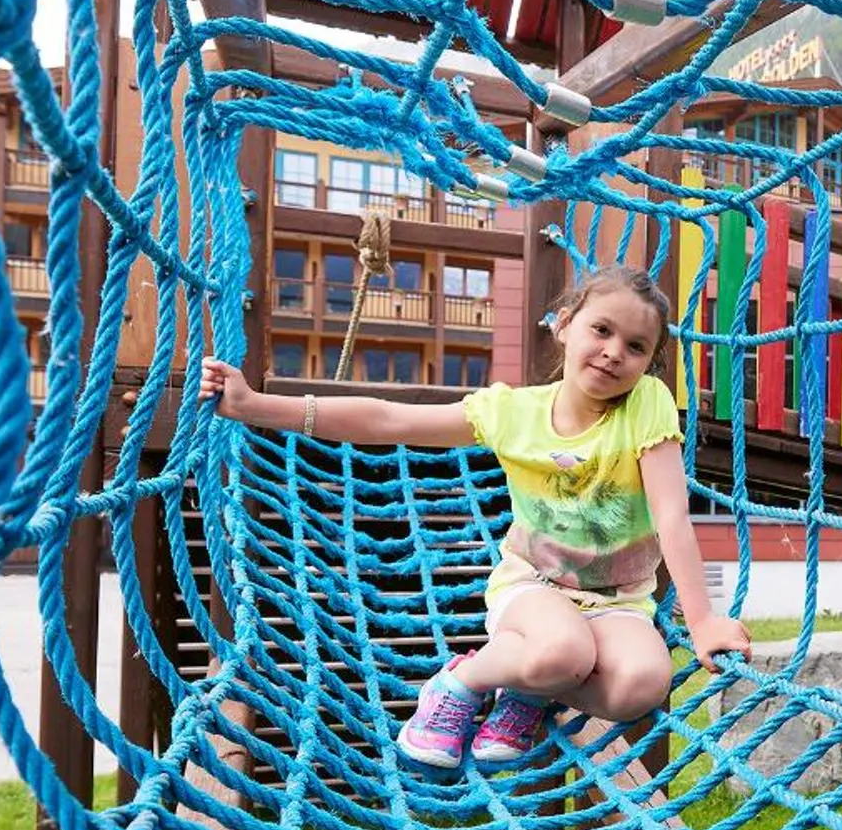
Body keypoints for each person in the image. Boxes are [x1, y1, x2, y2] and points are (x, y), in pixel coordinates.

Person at [198, 265, 750, 769]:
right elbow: (390, 420)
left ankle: (529, 686)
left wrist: (703, 622)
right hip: (535, 588)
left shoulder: (646, 403)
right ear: (564, 325)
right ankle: (463, 681)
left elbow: (671, 515)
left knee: (642, 685)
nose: (613, 352)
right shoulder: (512, 412)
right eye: (601, 330)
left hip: (617, 602)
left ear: (648, 363)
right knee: (564, 651)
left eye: (635, 346)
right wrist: (255, 407)